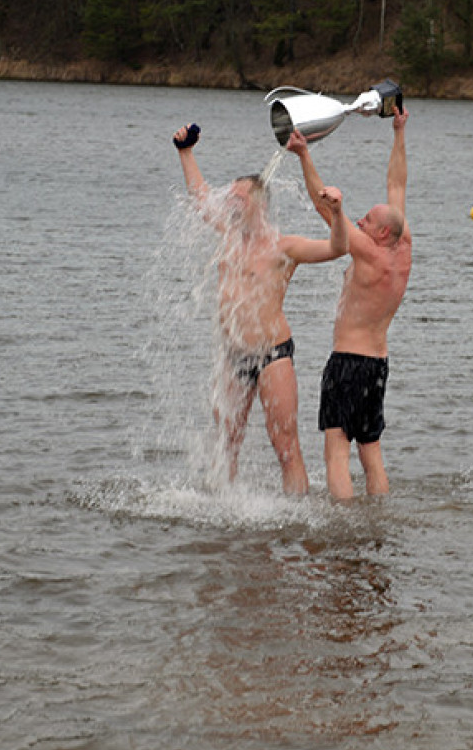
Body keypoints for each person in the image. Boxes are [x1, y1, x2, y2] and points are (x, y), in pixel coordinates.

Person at [172, 123, 350, 495]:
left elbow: (337, 249)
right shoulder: (228, 234)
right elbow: (200, 196)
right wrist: (185, 152)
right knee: (227, 441)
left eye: (239, 199)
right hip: (233, 353)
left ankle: (298, 513)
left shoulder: (284, 247)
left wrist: (337, 213)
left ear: (260, 204)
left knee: (284, 444)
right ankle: (222, 507)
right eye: (230, 198)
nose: (230, 204)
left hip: (273, 354)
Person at [285, 106, 412, 499]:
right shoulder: (403, 245)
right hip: (378, 365)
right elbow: (397, 183)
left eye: (366, 221)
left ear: (382, 233)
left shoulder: (369, 254)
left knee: (336, 453)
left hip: (347, 364)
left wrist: (304, 156)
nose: (359, 222)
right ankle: (377, 520)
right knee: (371, 451)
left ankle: (343, 525)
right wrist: (398, 133)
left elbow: (323, 205)